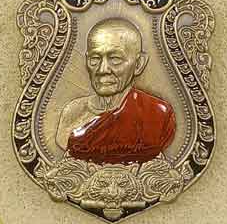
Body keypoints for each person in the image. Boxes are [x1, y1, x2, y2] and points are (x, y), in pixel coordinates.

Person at [56, 18, 176, 164]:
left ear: (138, 64)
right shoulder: (72, 113)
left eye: (115, 59)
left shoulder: (158, 114)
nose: (102, 70)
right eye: (95, 58)